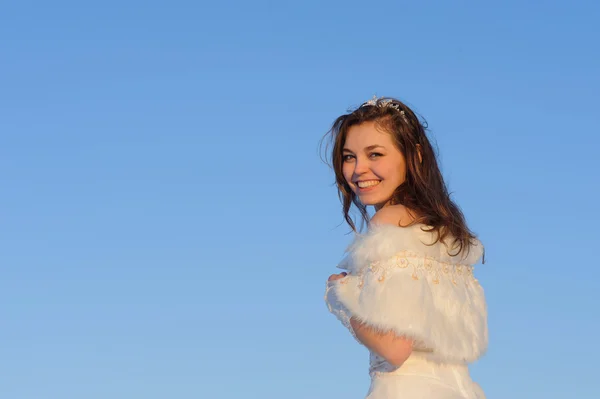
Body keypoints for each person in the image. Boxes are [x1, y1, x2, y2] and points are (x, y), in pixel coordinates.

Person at [323, 96, 488, 398]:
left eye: (375, 154)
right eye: (349, 157)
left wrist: (340, 297)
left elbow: (395, 346)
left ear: (414, 156)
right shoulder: (444, 231)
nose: (359, 169)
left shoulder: (388, 224)